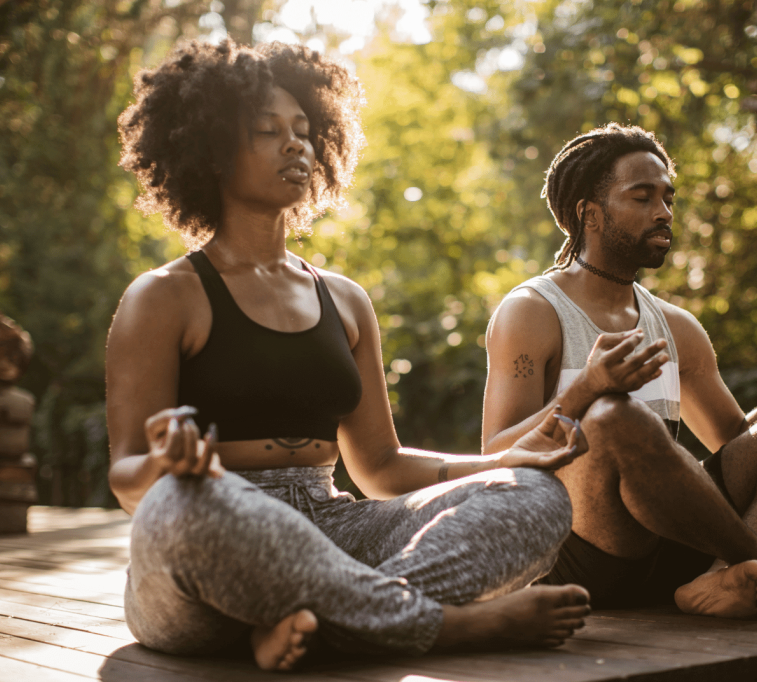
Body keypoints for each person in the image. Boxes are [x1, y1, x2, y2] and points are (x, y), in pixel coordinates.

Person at [107, 40, 591, 672]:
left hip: (329, 524)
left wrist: (501, 460)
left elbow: (381, 467)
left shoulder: (344, 300)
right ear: (212, 151)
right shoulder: (164, 296)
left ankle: (332, 626)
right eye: (268, 132)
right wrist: (165, 469)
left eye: (305, 132)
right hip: (209, 533)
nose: (296, 146)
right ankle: (440, 627)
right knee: (185, 504)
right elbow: (125, 478)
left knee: (533, 494)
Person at [481, 123, 757, 619]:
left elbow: (737, 443)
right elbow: (497, 453)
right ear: (589, 214)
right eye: (642, 197)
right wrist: (588, 388)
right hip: (582, 555)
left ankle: (716, 580)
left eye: (668, 198)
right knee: (610, 419)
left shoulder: (677, 327)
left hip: (677, 556)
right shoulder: (533, 312)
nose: (663, 213)